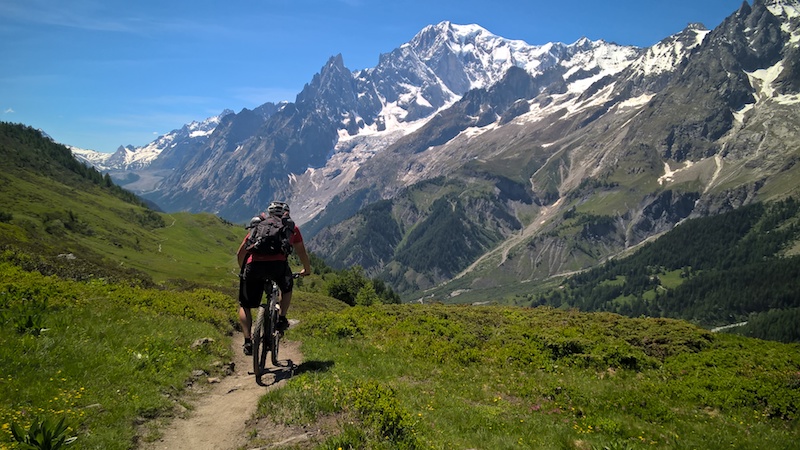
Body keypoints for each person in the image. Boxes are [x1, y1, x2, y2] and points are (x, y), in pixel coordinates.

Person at [236, 201, 311, 355]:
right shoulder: (291, 228)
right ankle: (282, 318)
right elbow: (301, 252)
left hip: (254, 266)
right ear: (286, 213)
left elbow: (240, 253)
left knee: (245, 304)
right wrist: (306, 269)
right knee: (287, 288)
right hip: (278, 266)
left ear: (269, 213)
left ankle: (248, 341)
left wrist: (243, 269)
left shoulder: (258, 226)